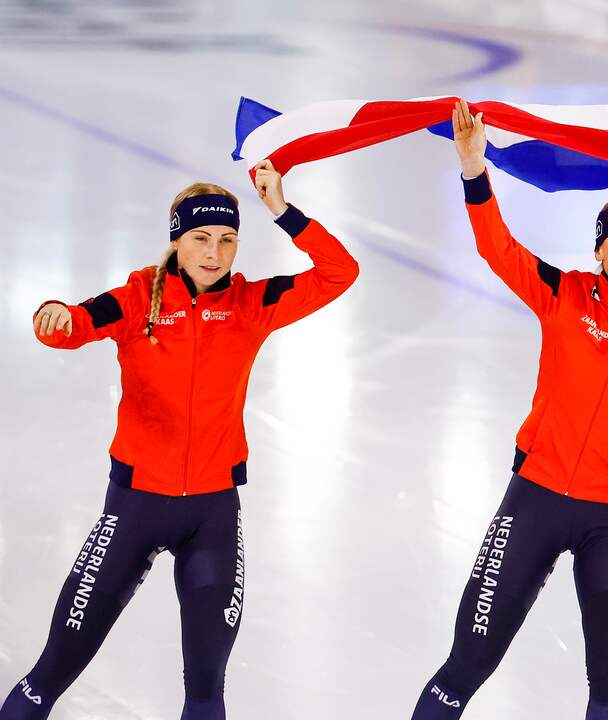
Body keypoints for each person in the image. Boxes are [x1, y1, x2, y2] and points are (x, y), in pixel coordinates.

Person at [1, 161, 359, 720]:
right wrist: (56, 316)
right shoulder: (138, 296)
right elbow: (78, 322)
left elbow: (340, 271)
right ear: (176, 240)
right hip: (136, 505)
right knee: (48, 675)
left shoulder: (252, 304)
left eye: (228, 240)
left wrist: (282, 211)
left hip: (213, 515)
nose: (214, 252)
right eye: (200, 238)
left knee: (207, 692)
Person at [411, 101, 608, 720]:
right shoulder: (564, 294)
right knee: (467, 662)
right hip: (535, 499)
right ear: (601, 250)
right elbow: (497, 248)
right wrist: (472, 169)